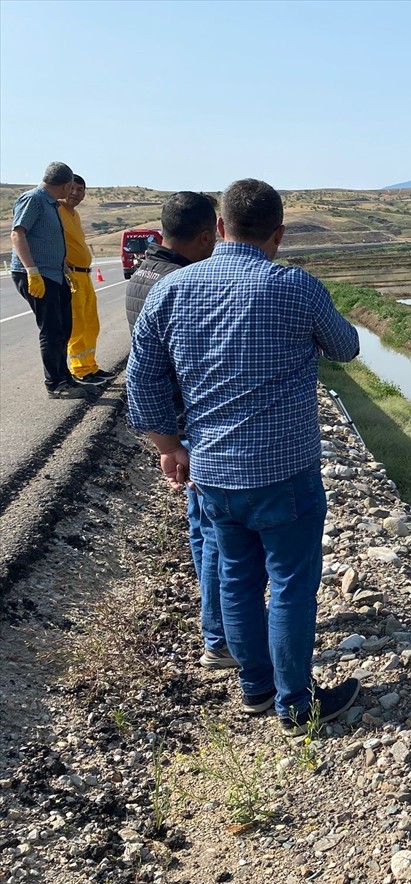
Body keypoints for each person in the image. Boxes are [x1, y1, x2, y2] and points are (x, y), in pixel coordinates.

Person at [126, 178, 361, 736]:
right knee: (290, 585)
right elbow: (347, 347)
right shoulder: (295, 287)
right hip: (285, 473)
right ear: (278, 233)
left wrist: (167, 447)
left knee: (235, 577)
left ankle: (255, 690)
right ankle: (295, 705)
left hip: (212, 473)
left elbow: (142, 379)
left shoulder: (170, 290)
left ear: (222, 228)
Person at [126, 192, 235, 670]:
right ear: (208, 233)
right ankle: (220, 638)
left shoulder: (142, 273)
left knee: (200, 526)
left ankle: (216, 622)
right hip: (192, 423)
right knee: (215, 534)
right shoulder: (181, 281)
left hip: (175, 425)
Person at [10, 161, 85, 399]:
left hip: (55, 274)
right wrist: (31, 270)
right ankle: (55, 384)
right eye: (71, 186)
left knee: (64, 327)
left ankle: (65, 376)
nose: (72, 191)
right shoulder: (33, 199)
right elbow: (17, 233)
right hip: (37, 275)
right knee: (52, 330)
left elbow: (48, 239)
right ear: (65, 184)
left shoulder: (52, 204)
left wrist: (63, 267)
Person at [58, 175, 115, 386]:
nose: (75, 193)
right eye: (71, 188)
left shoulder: (75, 214)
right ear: (63, 188)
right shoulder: (57, 211)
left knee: (91, 323)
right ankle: (79, 370)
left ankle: (91, 366)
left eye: (80, 189)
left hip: (85, 275)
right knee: (77, 325)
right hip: (71, 275)